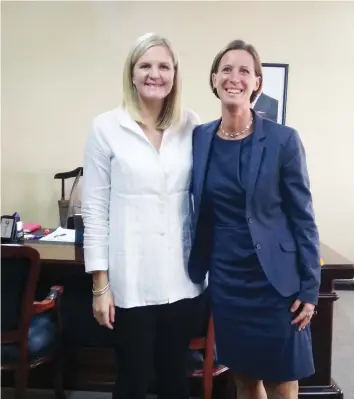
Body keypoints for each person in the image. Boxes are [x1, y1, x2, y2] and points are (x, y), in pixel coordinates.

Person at [188, 39, 321, 399]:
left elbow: (303, 218)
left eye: (244, 70)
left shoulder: (283, 140)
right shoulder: (200, 139)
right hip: (228, 280)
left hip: (277, 283)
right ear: (214, 79)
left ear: (257, 83)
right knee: (244, 378)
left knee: (281, 379)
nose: (235, 77)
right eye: (227, 70)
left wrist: (310, 287)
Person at [81, 32, 205, 399]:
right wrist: (100, 286)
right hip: (130, 281)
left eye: (164, 66)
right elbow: (94, 210)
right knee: (133, 381)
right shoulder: (105, 127)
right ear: (131, 74)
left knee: (175, 382)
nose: (155, 74)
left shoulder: (191, 124)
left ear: (175, 75)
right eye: (146, 65)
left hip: (182, 281)